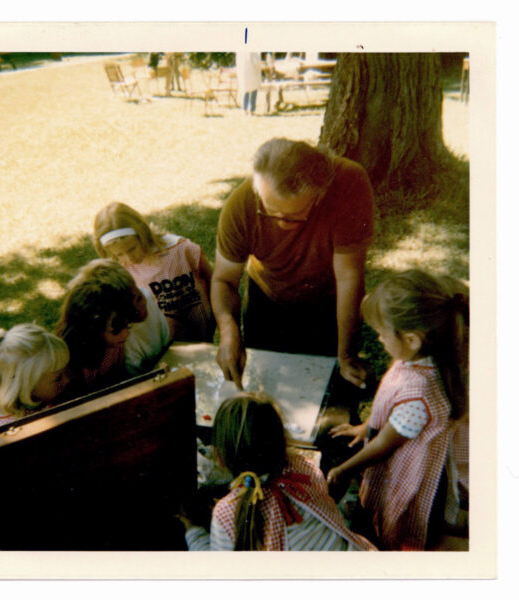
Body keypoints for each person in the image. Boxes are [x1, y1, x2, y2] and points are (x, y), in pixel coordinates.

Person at [211, 137, 375, 390]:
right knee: (265, 388)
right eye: (269, 210)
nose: (279, 222)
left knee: (327, 387)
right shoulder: (240, 206)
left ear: (319, 193)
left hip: (328, 302)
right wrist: (229, 332)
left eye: (291, 217)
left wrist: (346, 356)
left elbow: (349, 277)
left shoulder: (349, 182)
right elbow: (223, 280)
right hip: (266, 301)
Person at [326, 270, 469, 550]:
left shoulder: (420, 396)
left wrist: (343, 470)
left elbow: (384, 445)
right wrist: (366, 425)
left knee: (401, 515)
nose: (379, 340)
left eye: (381, 334)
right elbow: (391, 411)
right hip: (397, 445)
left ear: (413, 339)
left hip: (408, 468)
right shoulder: (420, 357)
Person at [180, 393, 376, 551]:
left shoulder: (226, 513)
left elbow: (218, 574)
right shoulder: (304, 468)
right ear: (283, 441)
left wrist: (192, 530)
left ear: (220, 457)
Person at [93, 202, 215, 342]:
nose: (129, 257)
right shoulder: (121, 270)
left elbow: (212, 279)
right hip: (162, 339)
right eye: (120, 254)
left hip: (201, 326)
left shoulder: (181, 249)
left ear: (142, 234)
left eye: (132, 249)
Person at [55, 258, 171, 396]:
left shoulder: (115, 338)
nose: (139, 309)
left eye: (139, 298)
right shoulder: (71, 358)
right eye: (130, 310)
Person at [0, 323, 70, 433]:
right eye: (58, 378)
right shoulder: (16, 429)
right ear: (27, 387)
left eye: (65, 372)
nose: (67, 380)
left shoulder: (0, 398)